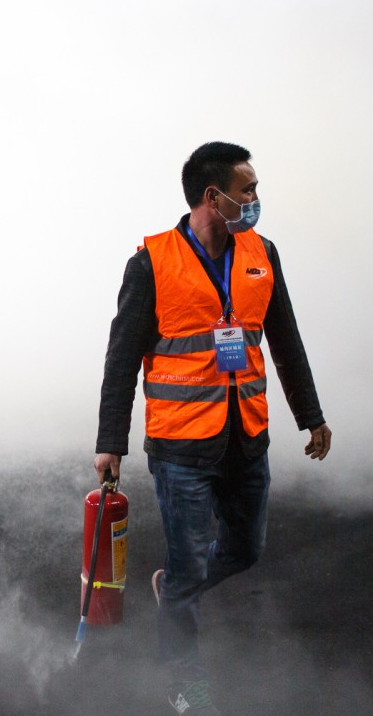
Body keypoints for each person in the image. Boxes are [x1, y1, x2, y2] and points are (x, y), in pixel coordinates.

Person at [94, 141, 331, 715]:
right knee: (189, 564)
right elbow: (121, 357)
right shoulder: (152, 261)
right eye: (247, 190)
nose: (254, 200)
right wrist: (110, 442)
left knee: (245, 550)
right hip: (181, 445)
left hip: (247, 434)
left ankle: (173, 587)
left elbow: (285, 340)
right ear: (212, 195)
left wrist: (311, 416)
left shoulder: (261, 252)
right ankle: (186, 684)